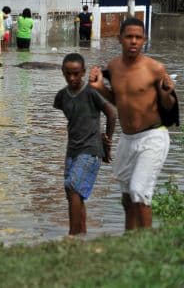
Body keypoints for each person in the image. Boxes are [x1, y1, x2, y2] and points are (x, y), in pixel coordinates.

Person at [89, 17, 178, 231]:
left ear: (144, 40)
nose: (133, 41)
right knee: (128, 195)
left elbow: (169, 106)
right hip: (128, 139)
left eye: (138, 37)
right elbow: (118, 101)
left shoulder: (155, 68)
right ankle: (130, 239)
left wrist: (167, 93)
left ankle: (146, 244)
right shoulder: (114, 67)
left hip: (153, 137)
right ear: (120, 39)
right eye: (129, 36)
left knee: (140, 191)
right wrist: (100, 88)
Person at [54, 53, 116, 235]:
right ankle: (81, 234)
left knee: (73, 188)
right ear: (63, 73)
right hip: (72, 150)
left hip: (91, 149)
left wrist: (107, 141)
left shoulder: (91, 92)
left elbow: (111, 113)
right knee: (72, 192)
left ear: (83, 72)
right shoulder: (61, 97)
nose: (72, 78)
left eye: (76, 73)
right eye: (68, 74)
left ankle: (73, 236)